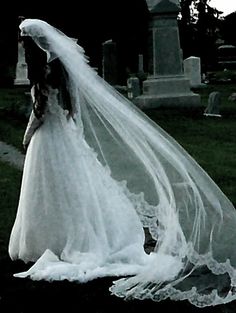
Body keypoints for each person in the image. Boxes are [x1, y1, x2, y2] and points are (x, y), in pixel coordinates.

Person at [8, 18, 236, 308]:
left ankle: (51, 239)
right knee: (73, 188)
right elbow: (71, 110)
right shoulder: (62, 72)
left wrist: (27, 137)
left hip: (47, 138)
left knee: (50, 190)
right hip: (65, 135)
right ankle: (73, 235)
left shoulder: (42, 73)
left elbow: (39, 113)